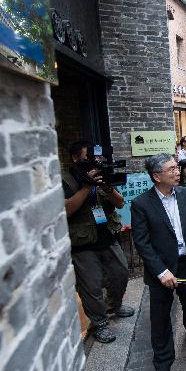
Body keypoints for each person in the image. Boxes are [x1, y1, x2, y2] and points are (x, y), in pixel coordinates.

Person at [131, 154, 186, 371]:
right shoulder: (142, 204)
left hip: (185, 266)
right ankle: (162, 366)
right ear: (156, 176)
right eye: (172, 169)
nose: (178, 171)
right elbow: (142, 243)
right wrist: (160, 271)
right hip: (162, 274)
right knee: (161, 318)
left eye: (177, 167)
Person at [62, 141, 134, 344]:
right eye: (88, 158)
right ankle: (99, 323)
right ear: (76, 159)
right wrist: (87, 185)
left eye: (96, 159)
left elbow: (120, 203)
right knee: (91, 287)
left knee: (120, 273)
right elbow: (67, 210)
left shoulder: (102, 176)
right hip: (83, 244)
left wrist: (107, 188)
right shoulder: (66, 181)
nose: (94, 162)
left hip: (107, 236)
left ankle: (115, 306)